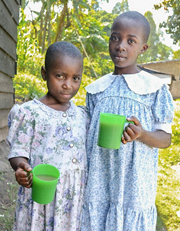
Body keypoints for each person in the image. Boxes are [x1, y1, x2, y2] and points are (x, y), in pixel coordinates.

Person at [80, 11, 174, 231]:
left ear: (143, 48)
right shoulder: (96, 89)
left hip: (135, 185)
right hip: (99, 180)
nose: (120, 45)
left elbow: (165, 139)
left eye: (130, 41)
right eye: (115, 37)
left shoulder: (153, 89)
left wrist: (142, 134)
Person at [6, 41, 89, 231]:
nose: (68, 85)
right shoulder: (30, 113)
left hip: (72, 199)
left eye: (75, 78)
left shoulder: (82, 115)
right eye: (60, 76)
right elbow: (18, 151)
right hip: (41, 197)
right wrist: (21, 167)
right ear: (44, 73)